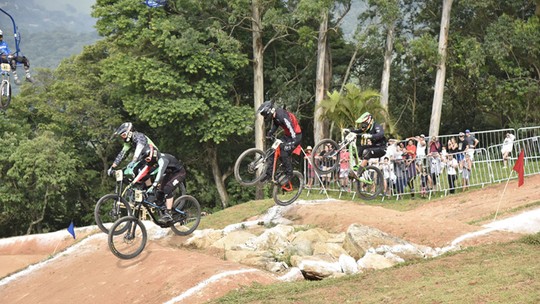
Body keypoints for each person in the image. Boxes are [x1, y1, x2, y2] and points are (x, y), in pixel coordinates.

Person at [132, 145, 187, 223]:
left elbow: (160, 173)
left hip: (179, 173)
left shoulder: (163, 160)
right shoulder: (153, 160)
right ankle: (165, 209)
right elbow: (143, 172)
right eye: (146, 160)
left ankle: (169, 214)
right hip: (170, 174)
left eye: (148, 159)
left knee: (167, 188)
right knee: (159, 192)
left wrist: (154, 185)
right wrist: (133, 182)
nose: (147, 161)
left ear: (153, 154)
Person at [257, 100, 302, 184]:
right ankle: (268, 173)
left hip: (295, 136)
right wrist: (270, 133)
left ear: (268, 111)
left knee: (284, 153)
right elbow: (276, 125)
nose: (263, 116)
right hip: (287, 136)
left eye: (263, 114)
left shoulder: (281, 114)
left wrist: (293, 142)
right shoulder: (275, 116)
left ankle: (289, 174)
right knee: (272, 151)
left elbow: (290, 126)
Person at [107, 122, 158, 188]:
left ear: (129, 132)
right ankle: (142, 190)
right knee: (126, 172)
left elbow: (139, 148)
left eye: (123, 135)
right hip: (144, 160)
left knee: (138, 171)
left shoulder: (139, 136)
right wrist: (112, 167)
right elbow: (122, 154)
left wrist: (134, 160)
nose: (123, 138)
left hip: (154, 158)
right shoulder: (129, 142)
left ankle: (149, 191)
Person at [349, 112, 387, 178]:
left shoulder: (376, 126)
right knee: (358, 150)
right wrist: (349, 131)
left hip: (381, 148)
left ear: (369, 120)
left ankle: (358, 173)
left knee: (367, 152)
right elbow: (358, 131)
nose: (363, 125)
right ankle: (359, 167)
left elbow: (381, 134)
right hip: (374, 146)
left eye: (364, 123)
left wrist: (370, 136)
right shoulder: (368, 127)